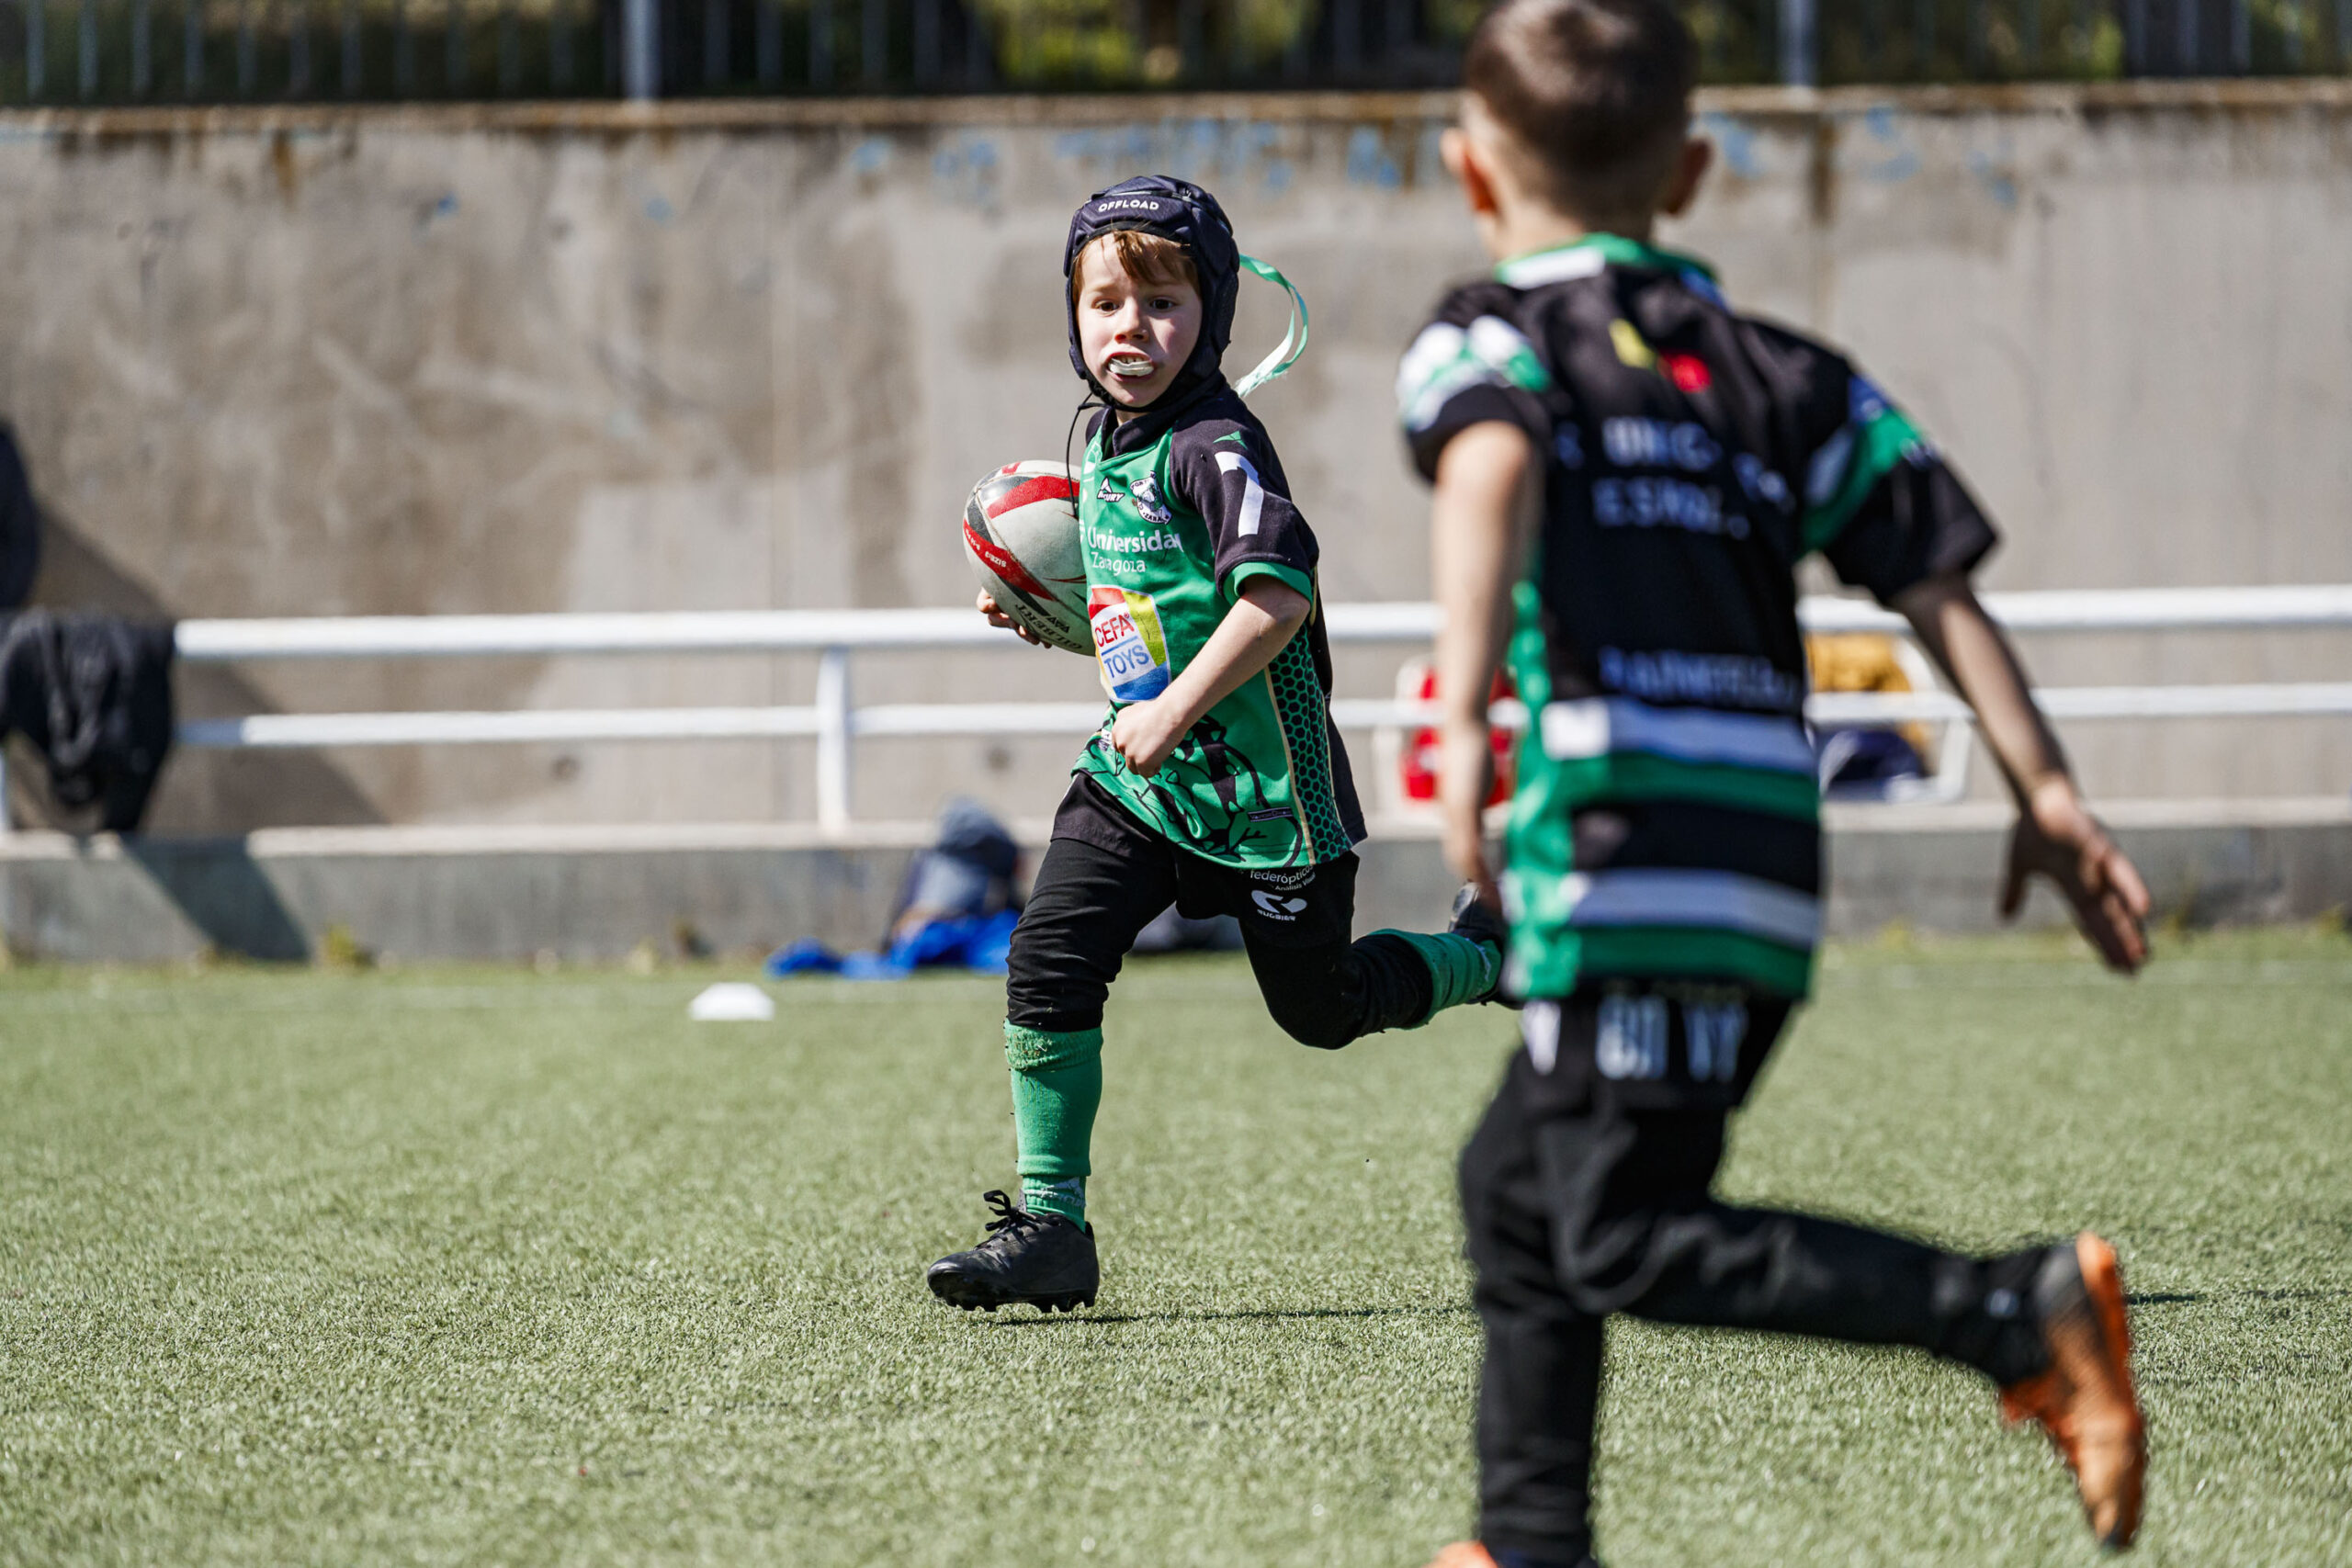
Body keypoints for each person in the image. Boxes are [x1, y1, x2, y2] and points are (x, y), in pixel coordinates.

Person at [1398, 2, 2154, 1562]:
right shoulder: (1788, 373)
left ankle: (2013, 1312)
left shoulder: (1487, 334)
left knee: (1618, 1231)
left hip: (1622, 851)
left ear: (1473, 174)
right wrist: (2050, 790)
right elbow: (1936, 576)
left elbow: (1485, 463)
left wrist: (1463, 713)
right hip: (1756, 858)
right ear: (1689, 170)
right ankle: (1529, 1538)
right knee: (1516, 1185)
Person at [923, 175, 1512, 1314]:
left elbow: (1272, 599)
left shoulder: (1214, 442)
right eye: (1104, 305)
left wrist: (1170, 711)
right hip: (1142, 789)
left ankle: (1490, 959)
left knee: (1323, 1012)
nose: (1129, 330)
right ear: (1073, 315)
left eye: (1162, 304)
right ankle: (1052, 1226)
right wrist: (1055, 624)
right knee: (1048, 958)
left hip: (1270, 804)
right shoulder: (1097, 440)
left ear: (1215, 315)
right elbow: (1149, 616)